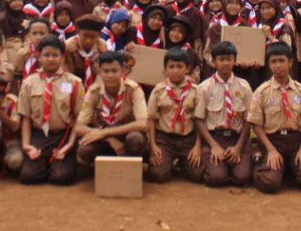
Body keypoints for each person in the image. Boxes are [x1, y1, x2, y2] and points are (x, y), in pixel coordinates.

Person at [248, 43, 301, 193]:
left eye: (282, 61)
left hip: (295, 142)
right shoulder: (262, 92)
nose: (278, 66)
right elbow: (256, 124)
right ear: (269, 65)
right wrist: (271, 150)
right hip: (272, 141)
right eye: (273, 62)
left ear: (291, 62)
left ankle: (289, 169)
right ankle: (260, 166)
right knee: (270, 183)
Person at [18, 35, 83, 185]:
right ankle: (46, 163)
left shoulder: (74, 83)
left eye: (55, 55)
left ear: (62, 57)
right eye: (46, 55)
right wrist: (26, 145)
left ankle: (58, 164)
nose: (50, 59)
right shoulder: (28, 83)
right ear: (39, 57)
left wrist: (69, 145)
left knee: (62, 177)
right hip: (39, 135)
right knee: (29, 176)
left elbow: (77, 117)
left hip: (62, 135)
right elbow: (25, 117)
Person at [194, 41, 253, 188]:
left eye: (229, 59)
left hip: (237, 138)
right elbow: (199, 119)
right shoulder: (204, 87)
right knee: (216, 178)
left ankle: (234, 165)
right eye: (221, 59)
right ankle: (216, 166)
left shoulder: (244, 86)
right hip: (215, 138)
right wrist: (214, 146)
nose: (225, 63)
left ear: (235, 61)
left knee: (242, 178)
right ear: (213, 62)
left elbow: (249, 119)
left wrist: (238, 147)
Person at [75, 51, 148, 166]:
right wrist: (109, 138)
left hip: (126, 134)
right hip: (103, 138)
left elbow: (143, 124)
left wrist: (105, 132)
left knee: (136, 139)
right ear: (99, 71)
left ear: (123, 71)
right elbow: (79, 127)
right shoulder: (94, 91)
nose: (110, 75)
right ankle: (103, 167)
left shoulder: (133, 89)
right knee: (84, 150)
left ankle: (130, 168)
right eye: (105, 71)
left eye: (114, 71)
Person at [146, 49, 205, 183]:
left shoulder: (196, 91)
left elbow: (200, 120)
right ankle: (169, 164)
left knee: (198, 174)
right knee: (157, 174)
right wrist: (153, 146)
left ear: (187, 69)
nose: (175, 70)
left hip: (188, 139)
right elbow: (151, 119)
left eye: (180, 66)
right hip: (164, 139)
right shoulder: (158, 90)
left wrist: (197, 146)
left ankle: (183, 163)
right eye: (171, 67)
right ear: (165, 70)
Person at [66, 14, 110, 88]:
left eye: (93, 37)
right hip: (72, 81)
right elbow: (66, 74)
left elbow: (103, 72)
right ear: (78, 33)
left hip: (96, 81)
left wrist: (94, 90)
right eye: (85, 36)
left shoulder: (102, 47)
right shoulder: (68, 46)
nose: (88, 41)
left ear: (99, 35)